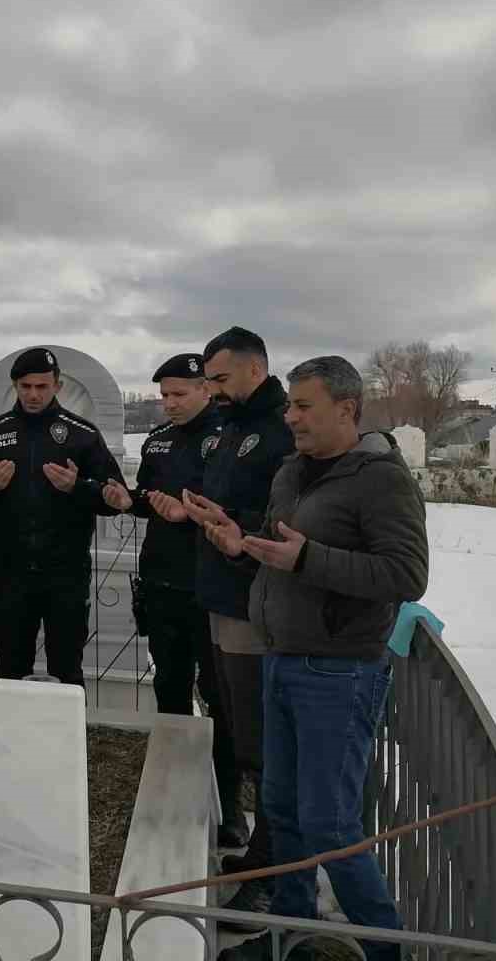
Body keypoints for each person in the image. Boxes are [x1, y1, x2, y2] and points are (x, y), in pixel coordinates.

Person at [208, 357, 428, 961]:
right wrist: (238, 542)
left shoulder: (381, 479)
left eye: (303, 406)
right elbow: (282, 552)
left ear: (347, 409)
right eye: (289, 406)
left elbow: (407, 574)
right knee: (282, 810)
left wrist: (307, 560)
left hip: (340, 672)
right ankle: (291, 940)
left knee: (331, 827)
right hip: (281, 660)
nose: (291, 416)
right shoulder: (291, 471)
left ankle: (389, 951)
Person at [180, 326, 293, 910]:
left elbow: (286, 518)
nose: (214, 390)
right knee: (239, 730)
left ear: (256, 369)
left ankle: (273, 873)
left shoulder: (280, 431)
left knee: (264, 741)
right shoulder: (232, 428)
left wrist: (234, 526)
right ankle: (263, 856)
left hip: (255, 602)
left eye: (221, 379)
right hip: (220, 597)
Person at [0, 347, 131, 686]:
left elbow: (116, 498)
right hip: (11, 574)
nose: (34, 394)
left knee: (67, 668)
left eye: (42, 386)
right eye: (26, 386)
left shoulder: (82, 434)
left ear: (57, 386)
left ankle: (66, 738)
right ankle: (9, 738)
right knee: (10, 668)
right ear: (15, 386)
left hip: (66, 575)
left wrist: (78, 488)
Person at [123, 354, 236, 832]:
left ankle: (228, 809)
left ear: (205, 390)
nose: (168, 404)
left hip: (211, 587)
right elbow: (148, 501)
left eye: (178, 394)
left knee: (219, 697)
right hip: (162, 583)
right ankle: (176, 791)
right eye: (164, 395)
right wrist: (121, 500)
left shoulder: (230, 440)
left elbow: (240, 511)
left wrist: (188, 515)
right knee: (169, 686)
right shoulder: (157, 442)